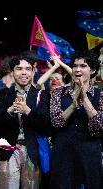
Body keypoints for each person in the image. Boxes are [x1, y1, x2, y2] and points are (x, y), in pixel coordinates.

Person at [0, 53, 51, 189]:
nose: (23, 72)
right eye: (19, 69)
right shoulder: (3, 94)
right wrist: (10, 111)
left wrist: (28, 111)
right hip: (8, 151)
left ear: (33, 72)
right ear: (12, 72)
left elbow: (47, 126)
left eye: (28, 69)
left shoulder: (41, 95)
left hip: (32, 151)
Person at [49, 50, 102, 189]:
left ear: (93, 70)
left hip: (90, 153)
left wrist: (84, 99)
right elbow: (56, 122)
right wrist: (73, 105)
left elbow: (100, 127)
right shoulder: (58, 92)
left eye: (83, 66)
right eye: (75, 65)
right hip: (63, 153)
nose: (77, 69)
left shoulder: (100, 94)